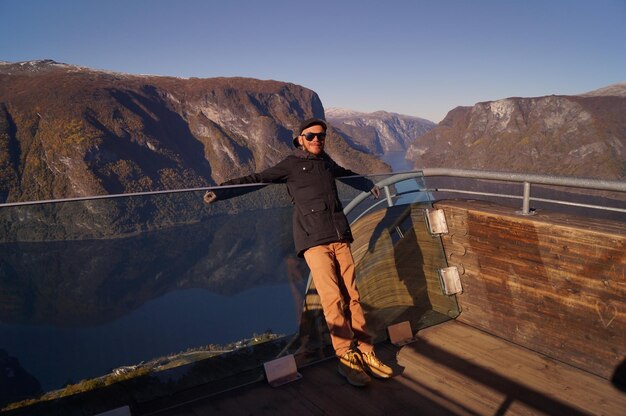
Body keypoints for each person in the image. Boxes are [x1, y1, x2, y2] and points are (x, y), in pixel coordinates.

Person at [204, 118, 392, 386]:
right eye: (312, 136)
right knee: (333, 300)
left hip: (340, 236)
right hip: (314, 240)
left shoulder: (326, 162)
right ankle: (346, 358)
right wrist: (221, 192)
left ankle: (367, 352)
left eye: (322, 136)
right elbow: (258, 178)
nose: (318, 140)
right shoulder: (290, 165)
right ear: (300, 139)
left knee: (353, 296)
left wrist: (367, 184)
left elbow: (346, 173)